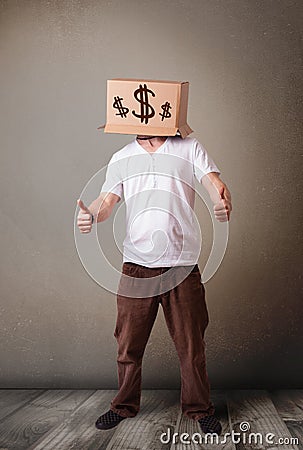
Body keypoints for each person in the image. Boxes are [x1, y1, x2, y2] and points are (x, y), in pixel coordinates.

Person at [77, 134, 232, 435]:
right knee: (128, 344)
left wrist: (221, 200)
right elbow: (107, 201)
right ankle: (123, 405)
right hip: (137, 266)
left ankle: (199, 409)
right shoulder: (122, 156)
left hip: (182, 264)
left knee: (191, 346)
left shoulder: (189, 147)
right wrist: (91, 214)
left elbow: (214, 182)